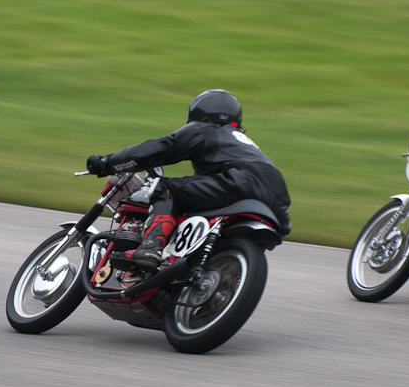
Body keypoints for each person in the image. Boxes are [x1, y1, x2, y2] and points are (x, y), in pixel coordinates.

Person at [86, 89, 291, 272]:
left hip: (242, 181)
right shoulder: (243, 142)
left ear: (200, 113)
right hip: (278, 200)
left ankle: (150, 248)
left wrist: (107, 162)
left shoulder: (206, 129)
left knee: (167, 189)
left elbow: (160, 149)